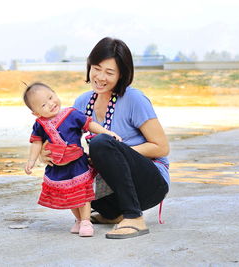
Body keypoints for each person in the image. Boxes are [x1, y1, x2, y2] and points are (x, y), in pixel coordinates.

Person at [41, 37, 170, 239]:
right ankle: (113, 214)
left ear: (121, 75)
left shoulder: (134, 99)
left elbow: (161, 147)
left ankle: (134, 217)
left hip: (149, 183)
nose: (100, 77)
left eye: (109, 72)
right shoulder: (83, 102)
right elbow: (63, 141)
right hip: (112, 186)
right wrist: (46, 154)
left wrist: (116, 153)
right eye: (96, 68)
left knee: (101, 143)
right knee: (71, 172)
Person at [23, 82, 122, 237]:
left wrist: (107, 133)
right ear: (35, 113)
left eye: (51, 97)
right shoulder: (40, 125)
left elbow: (90, 125)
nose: (51, 104)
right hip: (57, 168)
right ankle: (78, 220)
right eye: (43, 105)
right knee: (69, 196)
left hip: (77, 164)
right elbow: (36, 143)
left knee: (83, 193)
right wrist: (31, 161)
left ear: (55, 93)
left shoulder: (72, 114)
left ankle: (86, 221)